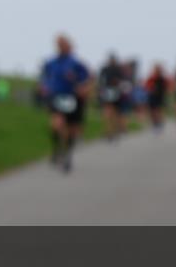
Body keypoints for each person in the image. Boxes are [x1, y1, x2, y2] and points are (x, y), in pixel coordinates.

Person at [39, 35, 91, 172]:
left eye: (63, 44)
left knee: (71, 128)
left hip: (72, 98)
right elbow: (44, 77)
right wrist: (44, 87)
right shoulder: (51, 62)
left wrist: (83, 88)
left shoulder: (76, 63)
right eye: (58, 44)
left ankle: (67, 154)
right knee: (57, 124)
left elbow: (87, 79)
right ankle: (57, 150)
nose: (61, 47)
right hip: (57, 97)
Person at [97, 53, 125, 141]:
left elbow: (121, 81)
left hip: (112, 91)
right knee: (109, 111)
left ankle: (111, 130)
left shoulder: (116, 69)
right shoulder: (112, 69)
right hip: (108, 91)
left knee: (112, 111)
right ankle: (110, 131)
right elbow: (101, 80)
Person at [144, 63, 170, 130]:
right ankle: (155, 123)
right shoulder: (151, 78)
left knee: (158, 110)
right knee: (152, 111)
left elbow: (167, 86)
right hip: (152, 96)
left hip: (160, 96)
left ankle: (159, 123)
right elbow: (147, 87)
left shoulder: (162, 79)